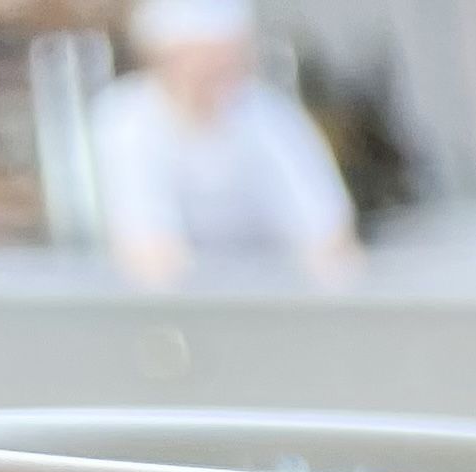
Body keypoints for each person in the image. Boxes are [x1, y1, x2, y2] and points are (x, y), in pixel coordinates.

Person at [90, 0, 357, 287]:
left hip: (270, 307)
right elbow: (147, 253)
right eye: (204, 55)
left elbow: (328, 233)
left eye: (230, 53)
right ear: (163, 57)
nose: (220, 67)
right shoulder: (125, 121)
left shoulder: (270, 117)